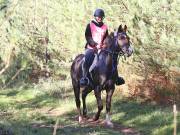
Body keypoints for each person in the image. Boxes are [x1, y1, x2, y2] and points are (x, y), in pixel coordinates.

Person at [80, 8, 124, 86]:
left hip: (102, 48)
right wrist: (95, 44)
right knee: (87, 58)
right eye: (98, 17)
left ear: (103, 17)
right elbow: (88, 36)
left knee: (112, 59)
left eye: (101, 17)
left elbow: (106, 38)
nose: (99, 18)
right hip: (91, 48)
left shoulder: (105, 27)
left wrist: (105, 44)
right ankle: (84, 78)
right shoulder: (90, 25)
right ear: (95, 17)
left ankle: (116, 78)